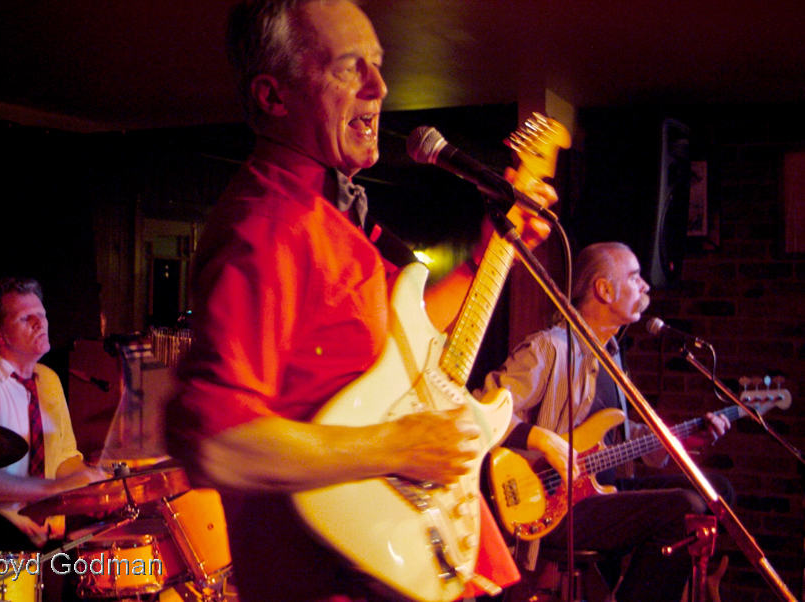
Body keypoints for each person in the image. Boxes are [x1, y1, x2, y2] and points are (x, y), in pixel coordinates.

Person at [164, 1, 557, 601]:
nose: (381, 86)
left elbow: (408, 334)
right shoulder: (267, 226)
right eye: (350, 68)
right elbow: (213, 439)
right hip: (337, 575)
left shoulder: (335, 217)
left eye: (376, 64)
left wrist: (487, 256)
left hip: (413, 557)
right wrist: (401, 446)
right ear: (273, 96)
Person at [477, 242, 733, 602]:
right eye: (634, 276)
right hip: (553, 502)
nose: (645, 285)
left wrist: (686, 440)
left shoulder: (613, 359)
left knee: (715, 491)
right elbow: (482, 407)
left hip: (599, 491)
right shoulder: (551, 347)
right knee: (683, 509)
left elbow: (618, 443)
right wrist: (543, 441)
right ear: (604, 289)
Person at [0, 277, 106, 552]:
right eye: (26, 318)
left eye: (42, 314)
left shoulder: (48, 380)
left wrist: (93, 487)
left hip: (41, 532)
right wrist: (53, 490)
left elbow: (64, 459)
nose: (40, 323)